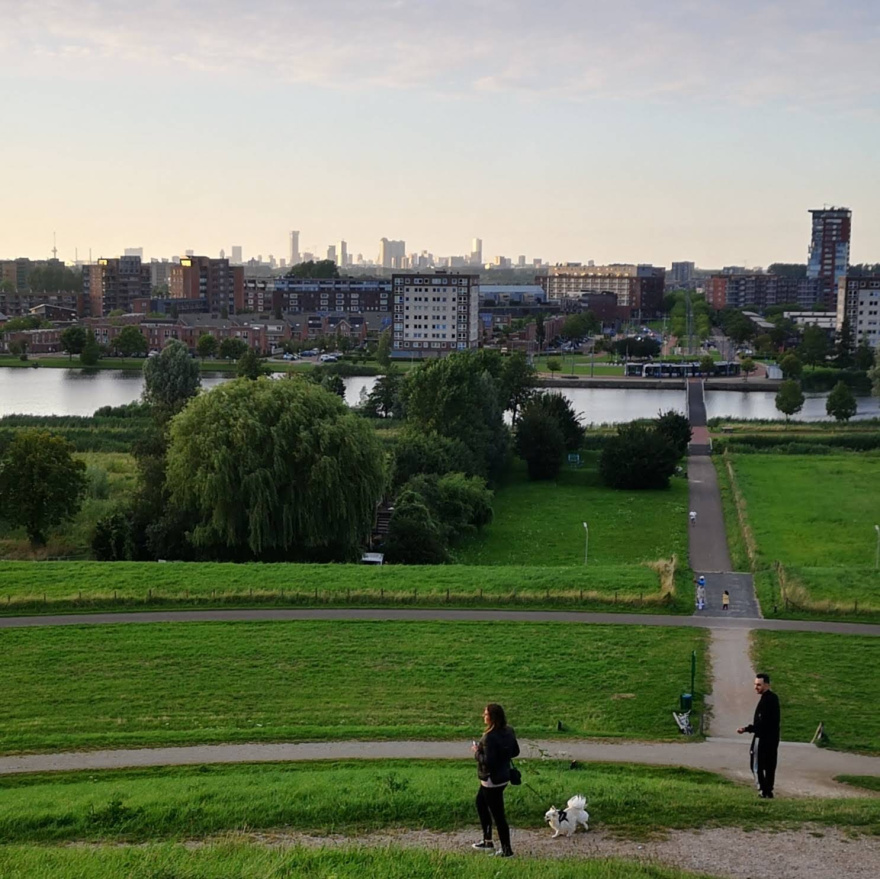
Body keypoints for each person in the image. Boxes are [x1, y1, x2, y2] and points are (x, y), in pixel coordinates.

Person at [472, 703, 520, 858]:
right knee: (480, 803)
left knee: (499, 815)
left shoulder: (488, 737)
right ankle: (487, 841)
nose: (483, 716)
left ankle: (507, 850)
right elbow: (515, 751)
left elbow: (488, 761)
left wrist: (477, 752)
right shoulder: (509, 731)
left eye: (485, 714)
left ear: (492, 717)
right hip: (503, 777)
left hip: (490, 780)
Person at [737, 673, 781, 798]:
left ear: (766, 685)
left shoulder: (767, 701)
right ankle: (769, 790)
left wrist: (746, 729)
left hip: (761, 738)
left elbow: (762, 723)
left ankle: (762, 790)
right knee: (770, 765)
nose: (755, 687)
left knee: (756, 765)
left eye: (758, 685)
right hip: (773, 739)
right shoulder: (774, 698)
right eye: (755, 684)